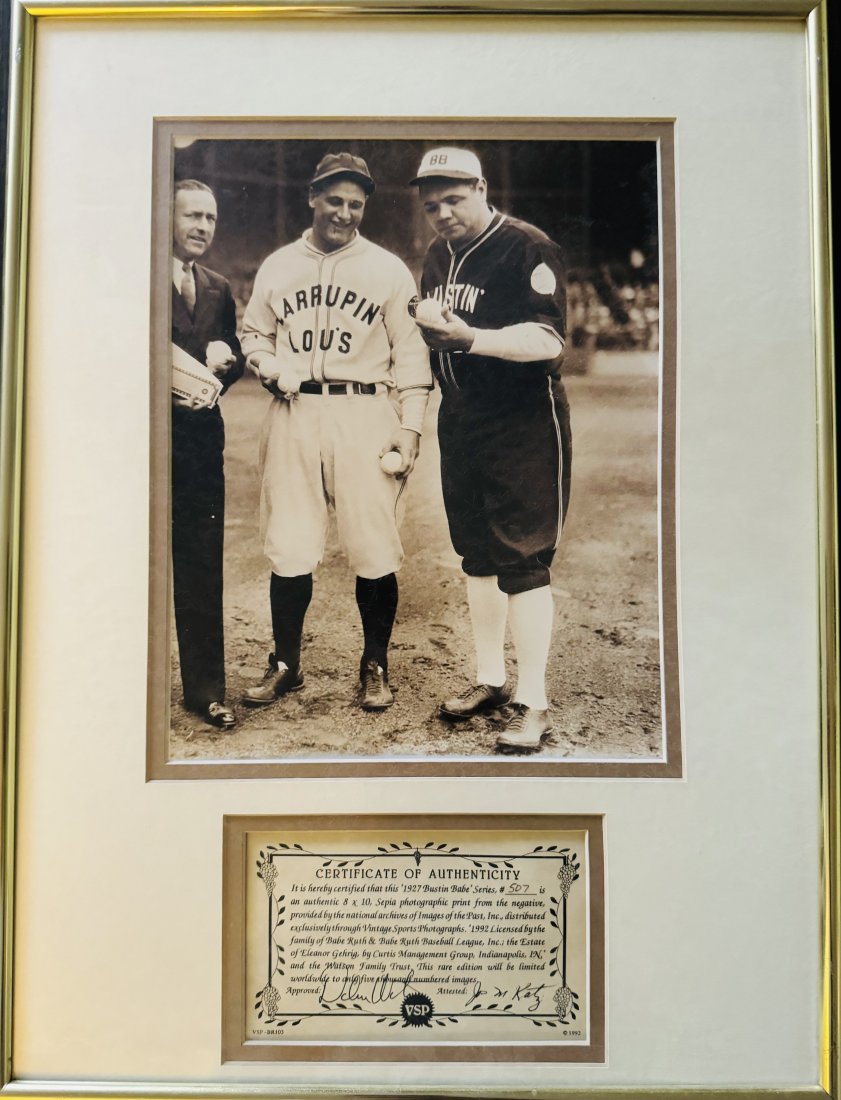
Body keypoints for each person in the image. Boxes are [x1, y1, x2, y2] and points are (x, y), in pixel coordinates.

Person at [240, 152, 432, 711]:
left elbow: (412, 356)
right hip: (294, 410)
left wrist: (411, 428)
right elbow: (255, 334)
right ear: (312, 197)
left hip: (365, 412)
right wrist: (266, 364)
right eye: (334, 201)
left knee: (374, 545)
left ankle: (375, 665)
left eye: (355, 204)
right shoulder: (278, 265)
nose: (345, 213)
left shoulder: (387, 270)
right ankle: (285, 664)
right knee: (290, 543)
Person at [409, 147, 572, 754]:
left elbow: (549, 340)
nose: (443, 214)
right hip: (462, 417)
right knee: (475, 554)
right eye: (432, 206)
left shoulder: (526, 247)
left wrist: (471, 337)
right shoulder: (437, 255)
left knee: (522, 559)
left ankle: (534, 701)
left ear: (481, 188)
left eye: (454, 200)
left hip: (522, 421)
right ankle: (491, 679)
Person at [171, 178, 244, 730]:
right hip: (141, 445)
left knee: (201, 564)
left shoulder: (218, 287)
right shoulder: (135, 276)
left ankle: (206, 690)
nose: (202, 226)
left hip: (199, 447)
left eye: (210, 217)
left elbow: (232, 358)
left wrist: (227, 365)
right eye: (192, 215)